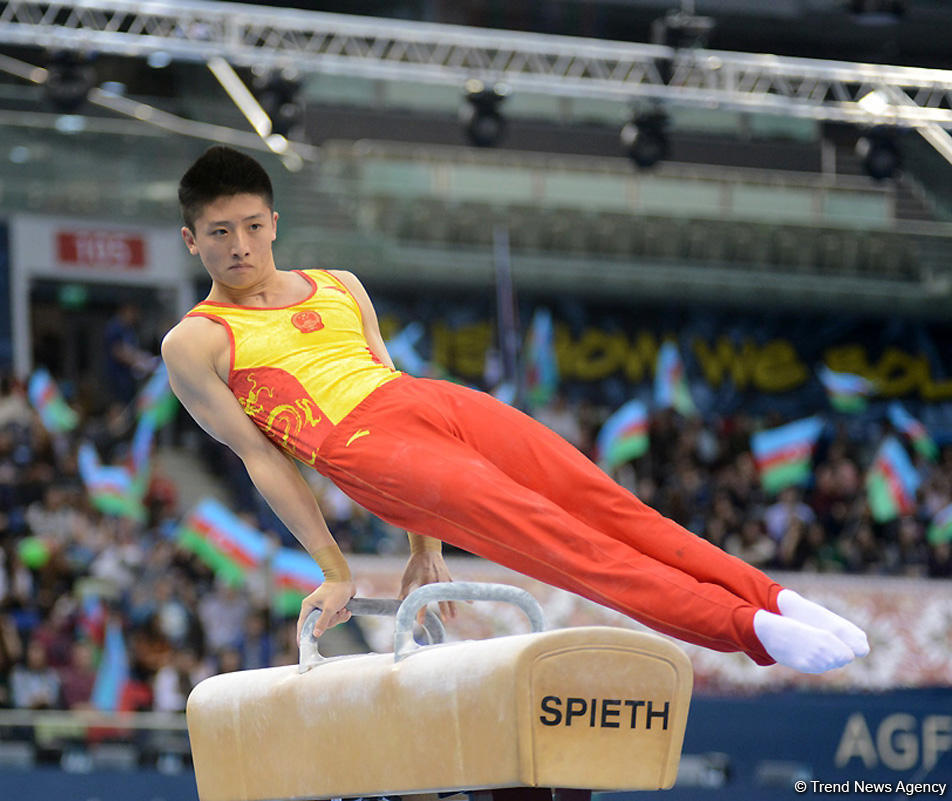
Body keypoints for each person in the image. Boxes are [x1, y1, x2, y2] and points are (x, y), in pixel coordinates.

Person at [161, 145, 870, 674]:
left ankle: (774, 598)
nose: (240, 246)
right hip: (365, 449)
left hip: (427, 401)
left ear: (275, 221)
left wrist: (425, 547)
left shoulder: (339, 284)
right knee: (570, 547)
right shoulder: (194, 342)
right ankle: (747, 628)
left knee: (610, 506)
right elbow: (262, 456)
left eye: (252, 225)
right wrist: (336, 567)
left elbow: (386, 374)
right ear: (192, 240)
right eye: (219, 232)